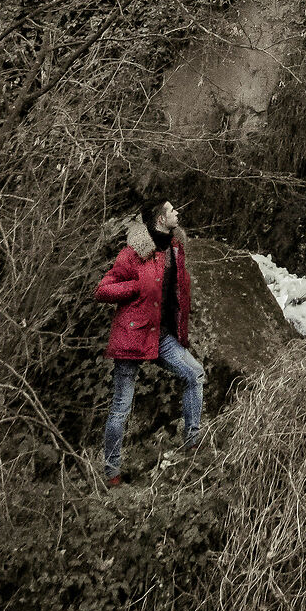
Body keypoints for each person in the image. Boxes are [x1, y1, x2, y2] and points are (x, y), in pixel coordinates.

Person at [93, 192, 204, 486]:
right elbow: (103, 289)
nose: (177, 212)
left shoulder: (175, 249)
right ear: (160, 219)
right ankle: (111, 472)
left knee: (194, 374)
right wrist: (135, 287)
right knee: (121, 407)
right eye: (172, 209)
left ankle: (193, 444)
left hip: (162, 336)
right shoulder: (133, 253)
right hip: (132, 337)